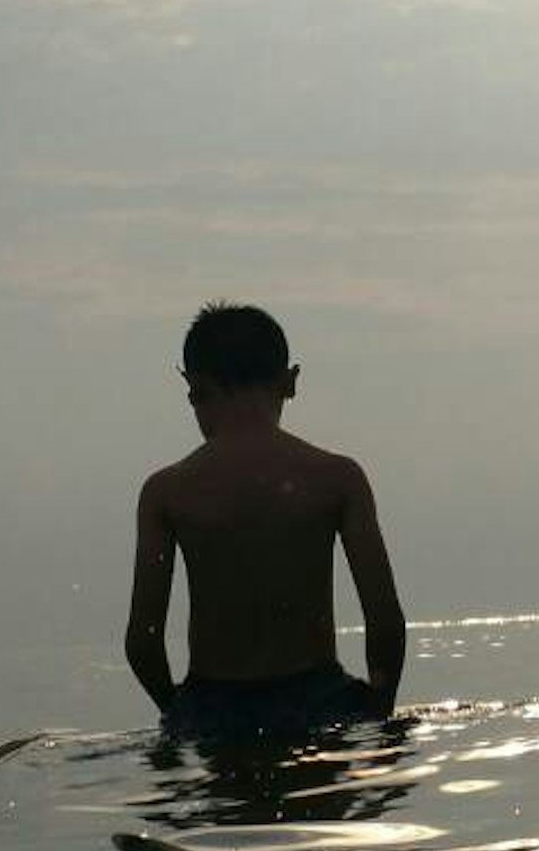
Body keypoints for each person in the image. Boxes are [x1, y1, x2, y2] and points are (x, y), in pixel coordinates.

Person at [125, 302, 405, 728]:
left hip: (211, 706)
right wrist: (378, 708)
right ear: (290, 382)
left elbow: (143, 642)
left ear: (195, 389)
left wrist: (179, 712)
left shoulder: (167, 492)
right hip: (320, 702)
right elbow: (384, 621)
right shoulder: (337, 478)